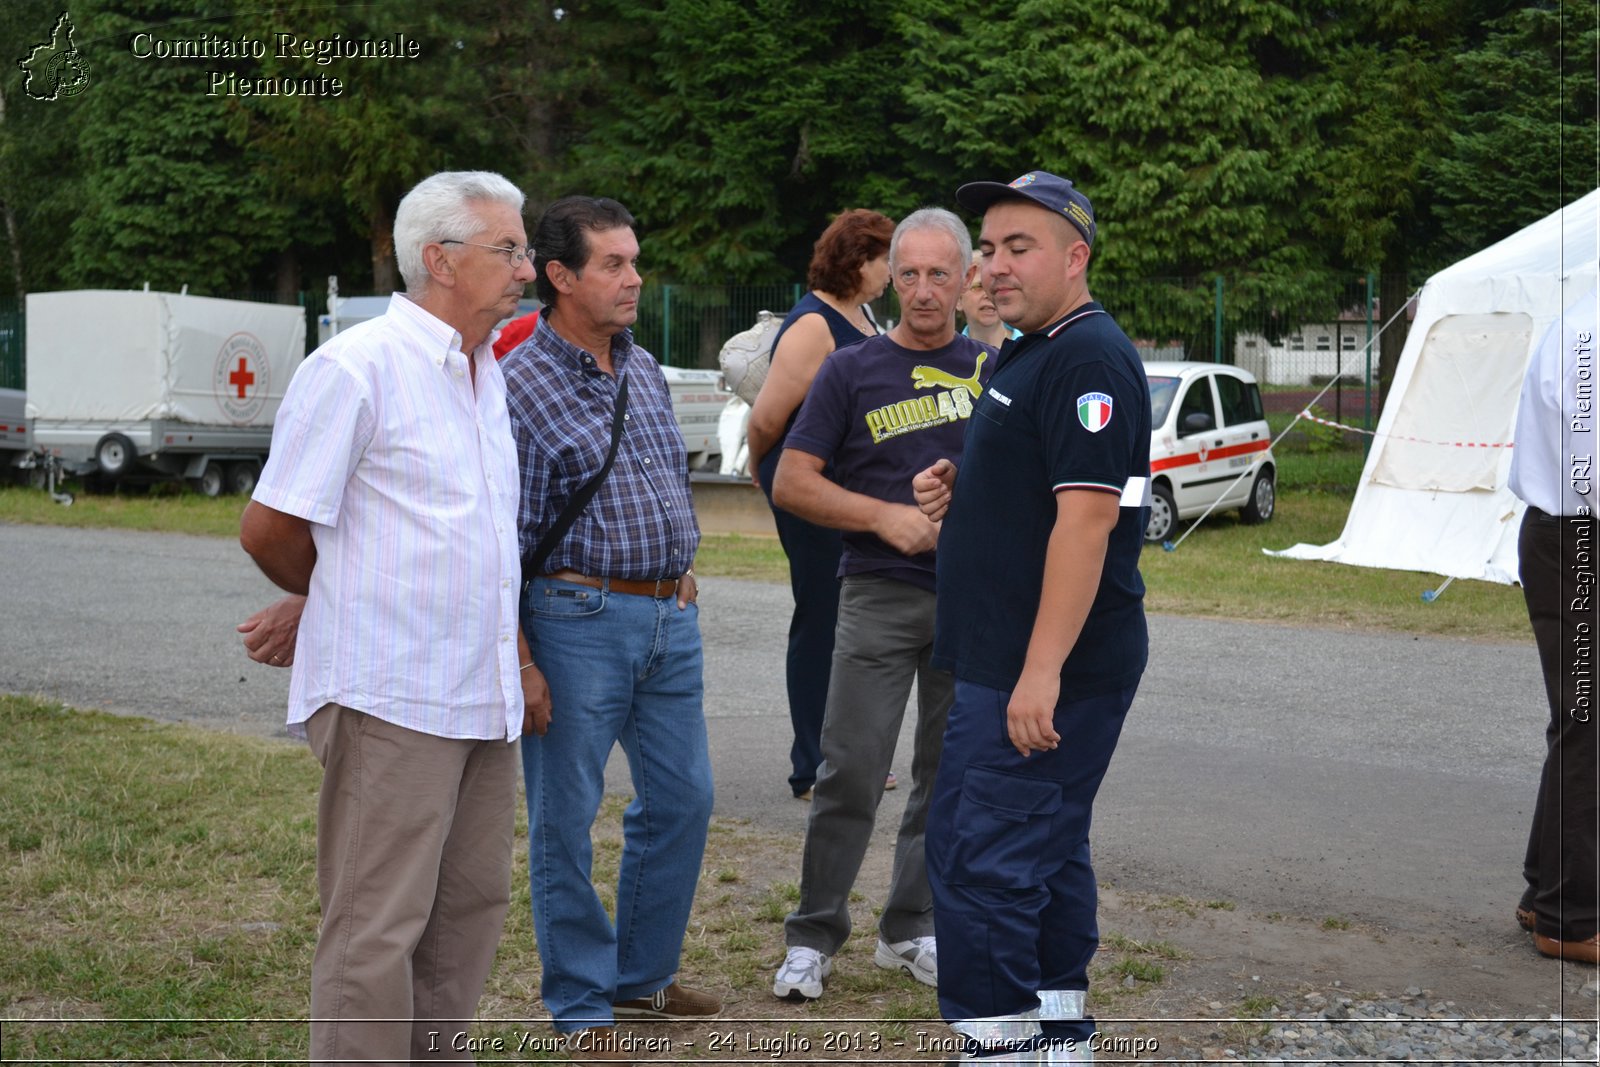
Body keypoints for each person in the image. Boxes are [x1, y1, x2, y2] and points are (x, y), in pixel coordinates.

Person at [238, 170, 538, 1064]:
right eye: (510, 249)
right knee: (377, 930)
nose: (528, 266)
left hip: (477, 693)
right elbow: (272, 525)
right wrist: (334, 593)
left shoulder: (485, 372)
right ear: (439, 261)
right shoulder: (357, 367)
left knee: (466, 915)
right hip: (393, 695)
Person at [913, 171, 1152, 1063]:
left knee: (983, 859)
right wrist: (964, 491)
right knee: (1041, 848)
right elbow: (1045, 491)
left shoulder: (1087, 355)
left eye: (1020, 248)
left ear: (1075, 257)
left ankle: (999, 1044)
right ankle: (1058, 1034)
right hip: (1004, 658)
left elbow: (1088, 521)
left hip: (1041, 668)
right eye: (988, 247)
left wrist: (1042, 669)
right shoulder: (1029, 346)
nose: (994, 265)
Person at [501, 195, 719, 1063]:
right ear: (559, 277)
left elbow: (662, 474)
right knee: (568, 816)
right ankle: (583, 1006)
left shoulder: (646, 366)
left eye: (636, 260)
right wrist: (519, 658)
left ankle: (641, 979)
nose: (635, 278)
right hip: (573, 617)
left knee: (685, 797)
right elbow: (502, 541)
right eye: (614, 265)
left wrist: (681, 568)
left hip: (670, 613)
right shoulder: (519, 385)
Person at [769, 208, 993, 1002]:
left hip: (970, 603)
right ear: (887, 277)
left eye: (942, 273)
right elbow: (791, 479)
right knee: (850, 771)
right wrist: (882, 515)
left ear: (969, 277)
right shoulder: (851, 368)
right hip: (876, 593)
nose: (925, 290)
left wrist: (964, 491)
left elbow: (1031, 485)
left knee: (947, 776)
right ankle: (813, 934)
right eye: (910, 273)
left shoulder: (994, 371)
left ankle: (910, 927)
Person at [745, 209, 895, 800]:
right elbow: (766, 418)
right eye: (888, 260)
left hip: (847, 485)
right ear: (859, 260)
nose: (895, 273)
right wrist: (765, 469)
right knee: (822, 618)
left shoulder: (859, 314)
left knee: (853, 620)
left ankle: (850, 754)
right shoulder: (814, 324)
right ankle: (812, 763)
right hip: (810, 487)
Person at [1507, 288, 1600, 964]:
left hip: (1572, 534)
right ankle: (1569, 918)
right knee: (1586, 721)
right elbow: (1588, 464)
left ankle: (1547, 890)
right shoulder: (1586, 337)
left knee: (1580, 720)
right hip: (1575, 537)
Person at [959, 250, 1021, 348]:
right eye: (978, 287)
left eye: (995, 286)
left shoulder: (1033, 348)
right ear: (958, 301)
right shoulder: (948, 357)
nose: (988, 295)